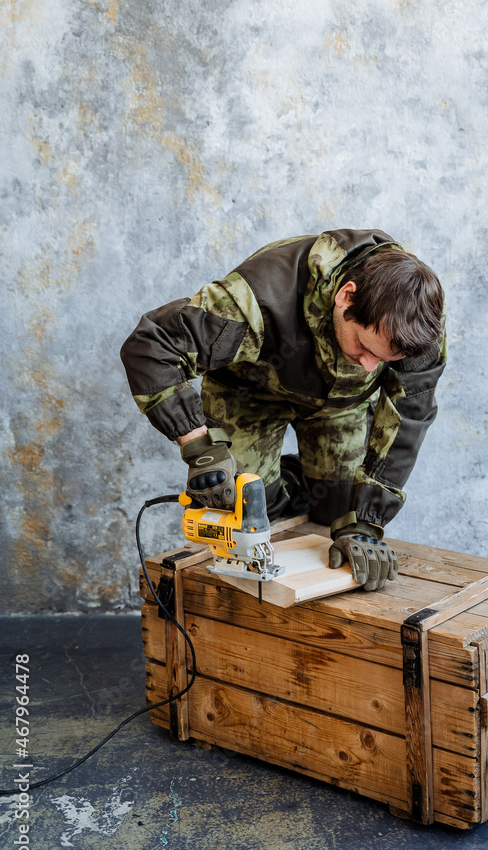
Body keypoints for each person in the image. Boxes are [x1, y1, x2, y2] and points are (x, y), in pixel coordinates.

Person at [120, 229, 447, 591]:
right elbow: (151, 345)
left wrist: (367, 520)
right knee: (245, 506)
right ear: (346, 296)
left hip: (341, 404)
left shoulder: (416, 322)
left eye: (383, 359)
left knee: (342, 512)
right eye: (364, 347)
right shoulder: (256, 297)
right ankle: (272, 485)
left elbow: (409, 414)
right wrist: (199, 447)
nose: (370, 366)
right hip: (248, 393)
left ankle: (302, 481)